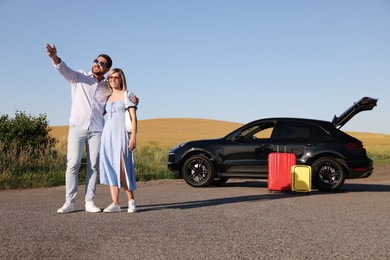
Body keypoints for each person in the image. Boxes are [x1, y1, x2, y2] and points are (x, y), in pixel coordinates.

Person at [46, 44, 138, 214]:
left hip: (97, 130)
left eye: (102, 63)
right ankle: (70, 201)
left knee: (93, 166)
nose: (97, 64)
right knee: (72, 164)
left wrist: (133, 100)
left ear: (107, 68)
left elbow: (120, 99)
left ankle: (89, 201)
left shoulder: (107, 86)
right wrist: (54, 56)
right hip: (77, 126)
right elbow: (63, 69)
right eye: (96, 61)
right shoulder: (79, 77)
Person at [99, 68, 138, 213]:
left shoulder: (127, 95)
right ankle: (115, 203)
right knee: (110, 167)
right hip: (107, 135)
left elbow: (133, 118)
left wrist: (133, 136)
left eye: (116, 77)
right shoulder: (107, 97)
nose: (113, 80)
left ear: (121, 79)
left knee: (123, 167)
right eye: (110, 78)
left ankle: (131, 200)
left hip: (121, 134)